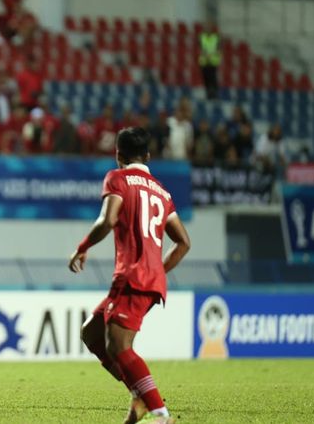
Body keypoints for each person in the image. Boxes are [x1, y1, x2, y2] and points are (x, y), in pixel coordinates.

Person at [68, 127, 191, 424]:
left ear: (118, 155)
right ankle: (140, 396)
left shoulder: (118, 178)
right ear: (148, 156)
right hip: (150, 278)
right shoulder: (162, 192)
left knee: (118, 346)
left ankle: (161, 414)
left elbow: (107, 219)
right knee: (92, 333)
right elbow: (184, 242)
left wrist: (82, 247)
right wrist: (158, 270)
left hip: (133, 276)